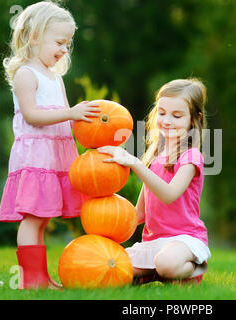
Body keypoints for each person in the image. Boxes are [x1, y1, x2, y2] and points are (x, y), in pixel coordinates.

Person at [0, 1, 100, 289]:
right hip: (35, 159)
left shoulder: (55, 78)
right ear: (34, 36)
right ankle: (30, 279)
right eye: (59, 42)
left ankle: (40, 278)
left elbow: (68, 122)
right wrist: (71, 112)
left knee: (42, 220)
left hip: (55, 158)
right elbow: (32, 115)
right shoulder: (25, 75)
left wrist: (91, 137)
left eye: (67, 44)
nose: (64, 49)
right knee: (32, 219)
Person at [98, 78, 211, 284]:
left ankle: (195, 267)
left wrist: (135, 164)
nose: (167, 120)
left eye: (176, 116)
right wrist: (109, 224)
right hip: (154, 242)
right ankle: (154, 273)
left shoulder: (191, 156)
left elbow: (168, 195)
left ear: (194, 119)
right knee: (110, 267)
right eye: (161, 113)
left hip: (184, 241)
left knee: (167, 263)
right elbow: (140, 212)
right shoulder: (156, 155)